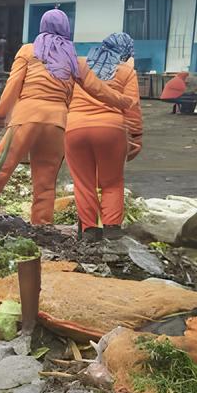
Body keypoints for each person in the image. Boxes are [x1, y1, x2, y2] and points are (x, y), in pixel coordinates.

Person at [0, 10, 132, 225]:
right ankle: (42, 225)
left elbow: (13, 86)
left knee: (1, 168)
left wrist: (0, 116)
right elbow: (98, 89)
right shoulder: (73, 59)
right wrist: (124, 102)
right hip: (57, 123)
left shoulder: (29, 51)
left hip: (27, 116)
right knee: (46, 181)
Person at [64, 32, 143, 241]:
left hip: (74, 128)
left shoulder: (80, 65)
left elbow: (65, 95)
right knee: (112, 182)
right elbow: (131, 106)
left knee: (83, 182)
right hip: (111, 129)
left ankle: (89, 230)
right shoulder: (126, 70)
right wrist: (136, 136)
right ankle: (112, 228)